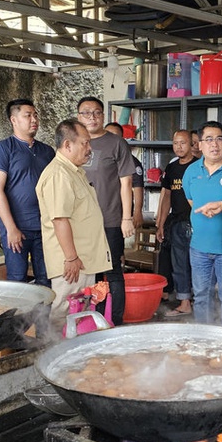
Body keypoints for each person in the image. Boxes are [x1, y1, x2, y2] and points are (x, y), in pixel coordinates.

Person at [36, 119, 112, 332]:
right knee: (65, 310)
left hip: (83, 258)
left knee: (79, 310)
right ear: (68, 145)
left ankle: (74, 352)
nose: (89, 149)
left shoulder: (75, 171)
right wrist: (70, 257)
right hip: (71, 262)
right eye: (85, 143)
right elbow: (60, 219)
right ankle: (54, 353)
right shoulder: (58, 174)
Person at [78, 96, 135, 325]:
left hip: (110, 219)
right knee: (87, 274)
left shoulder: (116, 143)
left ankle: (114, 321)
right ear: (78, 116)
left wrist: (127, 217)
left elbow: (126, 183)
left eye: (97, 112)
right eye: (86, 113)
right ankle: (90, 320)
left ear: (103, 116)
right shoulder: (74, 143)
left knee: (112, 273)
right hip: (81, 223)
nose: (92, 117)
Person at [182, 121, 222, 327]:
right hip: (199, 248)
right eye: (208, 139)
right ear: (199, 145)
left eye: (219, 138)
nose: (214, 144)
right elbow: (192, 203)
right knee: (201, 297)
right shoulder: (191, 172)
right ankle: (204, 342)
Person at [156, 130, 196, 317]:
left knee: (198, 263)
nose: (179, 147)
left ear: (192, 145)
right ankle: (185, 302)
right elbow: (166, 198)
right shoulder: (171, 169)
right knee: (179, 263)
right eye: (175, 143)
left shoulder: (198, 167)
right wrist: (161, 224)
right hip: (178, 223)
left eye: (183, 143)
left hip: (197, 223)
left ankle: (199, 300)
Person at [106, 122, 144, 229]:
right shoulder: (96, 158)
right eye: (108, 136)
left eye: (115, 136)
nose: (111, 140)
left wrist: (137, 212)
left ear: (121, 139)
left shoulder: (131, 161)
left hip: (120, 213)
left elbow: (138, 187)